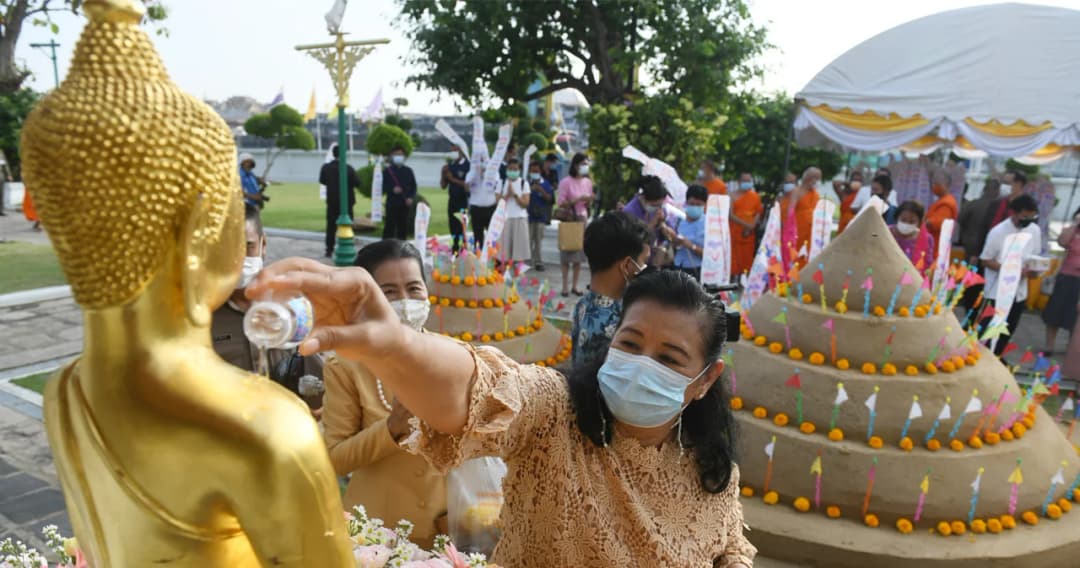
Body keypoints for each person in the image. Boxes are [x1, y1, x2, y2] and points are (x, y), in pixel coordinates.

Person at [247, 262, 755, 568]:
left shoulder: (711, 469)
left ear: (704, 380)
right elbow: (480, 389)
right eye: (631, 343)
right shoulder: (555, 413)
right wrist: (398, 345)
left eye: (668, 358)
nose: (642, 365)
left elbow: (729, 547)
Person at [321, 239, 447, 548]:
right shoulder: (346, 365)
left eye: (414, 288)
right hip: (378, 534)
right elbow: (334, 459)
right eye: (389, 292)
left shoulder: (451, 356)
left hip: (446, 527)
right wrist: (391, 428)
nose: (404, 300)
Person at [210, 205, 325, 410]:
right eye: (227, 248)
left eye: (248, 246)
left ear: (263, 244)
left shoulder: (294, 304)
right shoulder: (202, 314)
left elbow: (322, 388)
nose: (238, 258)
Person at [572, 211, 651, 367]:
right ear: (627, 265)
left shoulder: (583, 304)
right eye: (644, 261)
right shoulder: (620, 322)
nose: (645, 268)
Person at [979, 194, 1043, 356]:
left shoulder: (1034, 230)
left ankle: (997, 358)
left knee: (1008, 331)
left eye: (1031, 216)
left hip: (1018, 293)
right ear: (1013, 213)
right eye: (1024, 216)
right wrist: (1009, 270)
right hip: (996, 292)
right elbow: (985, 260)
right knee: (989, 331)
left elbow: (1034, 256)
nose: (1028, 219)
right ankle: (983, 357)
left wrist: (1033, 269)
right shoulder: (998, 232)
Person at [1042, 207, 1080, 353]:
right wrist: (1075, 225)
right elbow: (1062, 242)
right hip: (1065, 276)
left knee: (1075, 316)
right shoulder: (1072, 231)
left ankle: (1071, 348)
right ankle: (1049, 345)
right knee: (1055, 312)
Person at [557, 153, 595, 296]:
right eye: (583, 163)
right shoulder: (566, 182)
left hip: (582, 218)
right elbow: (561, 202)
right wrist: (577, 199)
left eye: (587, 164)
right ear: (575, 165)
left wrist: (589, 200)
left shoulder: (587, 182)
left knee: (579, 254)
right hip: (570, 218)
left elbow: (589, 201)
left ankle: (575, 285)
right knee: (567, 252)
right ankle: (565, 286)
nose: (585, 166)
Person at [622, 175, 676, 268]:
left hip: (653, 262)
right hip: (633, 263)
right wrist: (653, 223)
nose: (658, 208)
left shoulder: (661, 210)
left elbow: (671, 236)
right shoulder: (629, 211)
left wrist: (663, 225)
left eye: (660, 205)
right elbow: (632, 241)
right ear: (642, 198)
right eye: (654, 205)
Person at [320, 144, 362, 258]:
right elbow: (358, 182)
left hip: (332, 201)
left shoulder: (326, 168)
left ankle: (329, 249)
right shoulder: (348, 168)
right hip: (347, 202)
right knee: (347, 225)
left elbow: (322, 180)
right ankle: (348, 245)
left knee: (331, 226)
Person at [779, 167, 821, 269]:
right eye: (816, 178)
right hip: (797, 231)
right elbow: (790, 211)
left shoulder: (816, 194)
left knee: (806, 256)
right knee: (793, 256)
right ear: (808, 178)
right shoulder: (796, 191)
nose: (817, 181)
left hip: (811, 232)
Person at [664, 184, 707, 280]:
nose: (694, 207)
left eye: (698, 204)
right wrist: (674, 240)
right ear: (686, 202)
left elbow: (711, 255)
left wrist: (692, 246)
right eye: (692, 204)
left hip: (698, 270)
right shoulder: (678, 220)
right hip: (678, 267)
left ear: (704, 205)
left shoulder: (708, 224)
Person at [959, 179, 1002, 265]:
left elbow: (960, 220)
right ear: (997, 191)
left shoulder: (972, 204)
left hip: (970, 246)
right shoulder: (999, 208)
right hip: (989, 249)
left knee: (969, 274)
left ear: (984, 190)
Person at [496, 158, 531, 264]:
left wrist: (515, 195)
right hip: (504, 219)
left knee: (519, 253)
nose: (513, 171)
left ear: (519, 170)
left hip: (519, 218)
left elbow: (525, 203)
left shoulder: (523, 183)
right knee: (503, 252)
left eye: (515, 169)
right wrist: (507, 195)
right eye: (510, 169)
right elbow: (498, 203)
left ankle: (518, 276)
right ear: (507, 169)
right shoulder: (501, 183)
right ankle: (502, 275)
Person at [730, 173, 763, 277]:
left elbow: (758, 212)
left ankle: (743, 280)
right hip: (734, 231)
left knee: (746, 257)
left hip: (748, 233)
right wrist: (746, 224)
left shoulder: (755, 196)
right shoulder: (731, 195)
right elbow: (730, 215)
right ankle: (732, 278)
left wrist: (751, 226)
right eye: (745, 181)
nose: (747, 183)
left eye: (749, 181)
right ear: (739, 182)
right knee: (734, 257)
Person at [382, 145, 418, 241]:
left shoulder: (408, 171)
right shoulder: (387, 171)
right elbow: (383, 186)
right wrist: (392, 189)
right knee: (389, 226)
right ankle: (386, 247)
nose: (399, 156)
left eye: (401, 154)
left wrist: (411, 197)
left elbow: (413, 187)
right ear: (392, 156)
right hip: (392, 203)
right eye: (396, 154)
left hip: (404, 203)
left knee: (403, 227)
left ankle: (402, 248)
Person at [441, 145, 471, 253]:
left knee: (461, 227)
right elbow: (443, 186)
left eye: (456, 149)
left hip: (463, 201)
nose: (453, 151)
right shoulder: (450, 165)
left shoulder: (468, 166)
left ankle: (463, 250)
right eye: (452, 149)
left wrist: (451, 178)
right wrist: (443, 174)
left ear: (461, 150)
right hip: (452, 200)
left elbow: (467, 185)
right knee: (453, 227)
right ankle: (454, 249)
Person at [526, 160, 555, 271]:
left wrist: (541, 191)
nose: (535, 173)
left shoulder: (546, 184)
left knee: (538, 240)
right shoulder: (526, 183)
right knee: (528, 239)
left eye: (537, 171)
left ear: (540, 171)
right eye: (533, 171)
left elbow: (550, 199)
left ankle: (538, 261)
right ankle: (527, 261)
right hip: (528, 216)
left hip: (540, 216)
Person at [888, 201, 934, 268]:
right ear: (897, 218)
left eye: (912, 221)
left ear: (919, 223)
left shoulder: (926, 239)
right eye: (903, 220)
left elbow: (927, 264)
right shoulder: (886, 232)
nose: (906, 224)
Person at [468, 160, 498, 247]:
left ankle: (492, 257)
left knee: (492, 236)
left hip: (490, 208)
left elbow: (496, 185)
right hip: (476, 209)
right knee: (478, 236)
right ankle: (479, 255)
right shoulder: (471, 174)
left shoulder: (494, 174)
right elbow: (467, 188)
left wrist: (485, 175)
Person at [926, 170, 958, 246]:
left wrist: (921, 221)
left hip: (936, 245)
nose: (934, 186)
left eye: (937, 183)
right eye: (933, 183)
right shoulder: (942, 200)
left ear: (946, 184)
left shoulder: (946, 203)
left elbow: (936, 223)